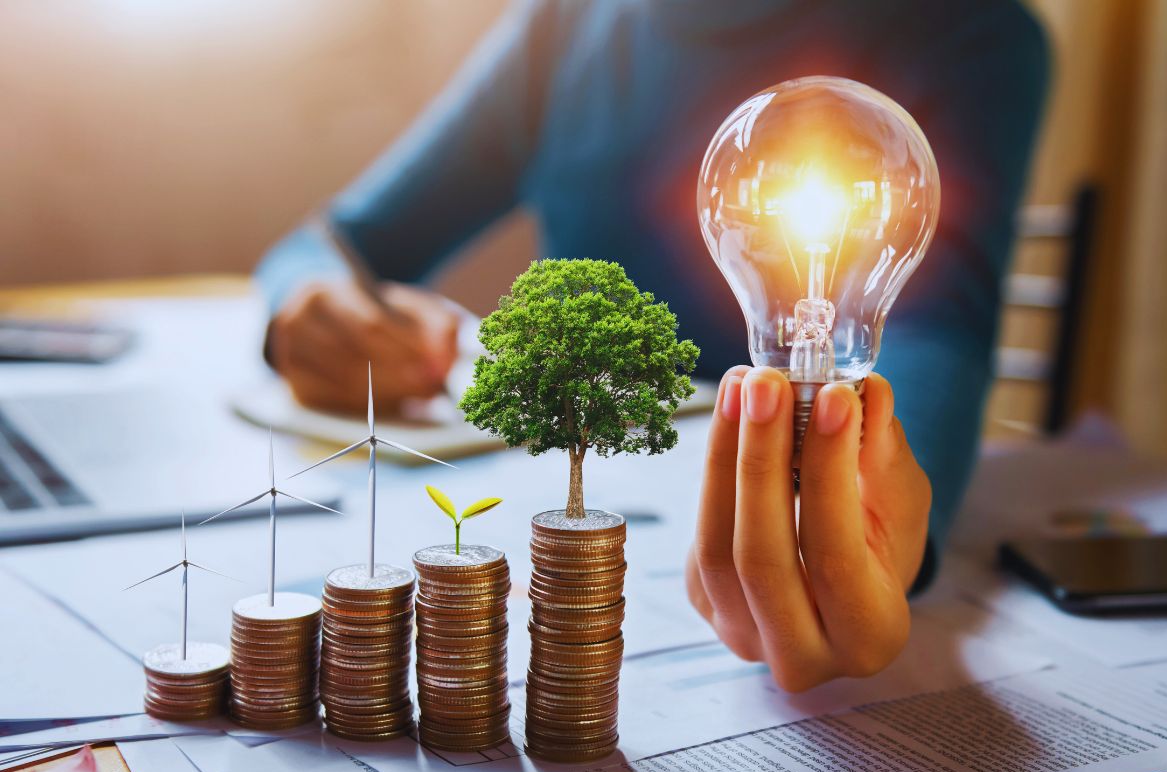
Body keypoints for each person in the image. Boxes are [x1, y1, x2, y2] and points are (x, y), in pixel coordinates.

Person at [256, 0, 1049, 690]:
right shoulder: (569, 21)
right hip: (568, 478)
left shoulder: (970, 30)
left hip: (753, 496)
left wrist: (890, 535)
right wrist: (307, 305)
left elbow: (939, 319)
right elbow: (333, 243)